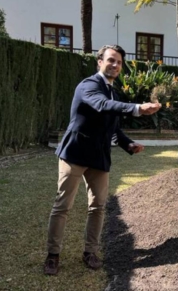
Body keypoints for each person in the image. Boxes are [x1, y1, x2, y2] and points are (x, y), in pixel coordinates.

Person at [44, 45, 161, 275]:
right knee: (62, 206)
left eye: (119, 62)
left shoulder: (114, 93)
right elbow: (101, 105)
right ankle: (52, 255)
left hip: (99, 156)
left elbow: (113, 127)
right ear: (100, 62)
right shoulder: (88, 85)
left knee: (98, 206)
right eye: (111, 60)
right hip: (75, 153)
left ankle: (90, 252)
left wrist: (127, 144)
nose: (115, 65)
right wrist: (137, 108)